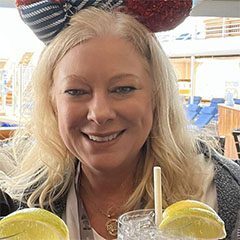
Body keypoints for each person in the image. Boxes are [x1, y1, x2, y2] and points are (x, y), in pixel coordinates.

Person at [0, 1, 240, 240]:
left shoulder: (219, 197)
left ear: (156, 96)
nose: (99, 113)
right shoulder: (24, 210)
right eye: (76, 91)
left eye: (123, 89)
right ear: (52, 103)